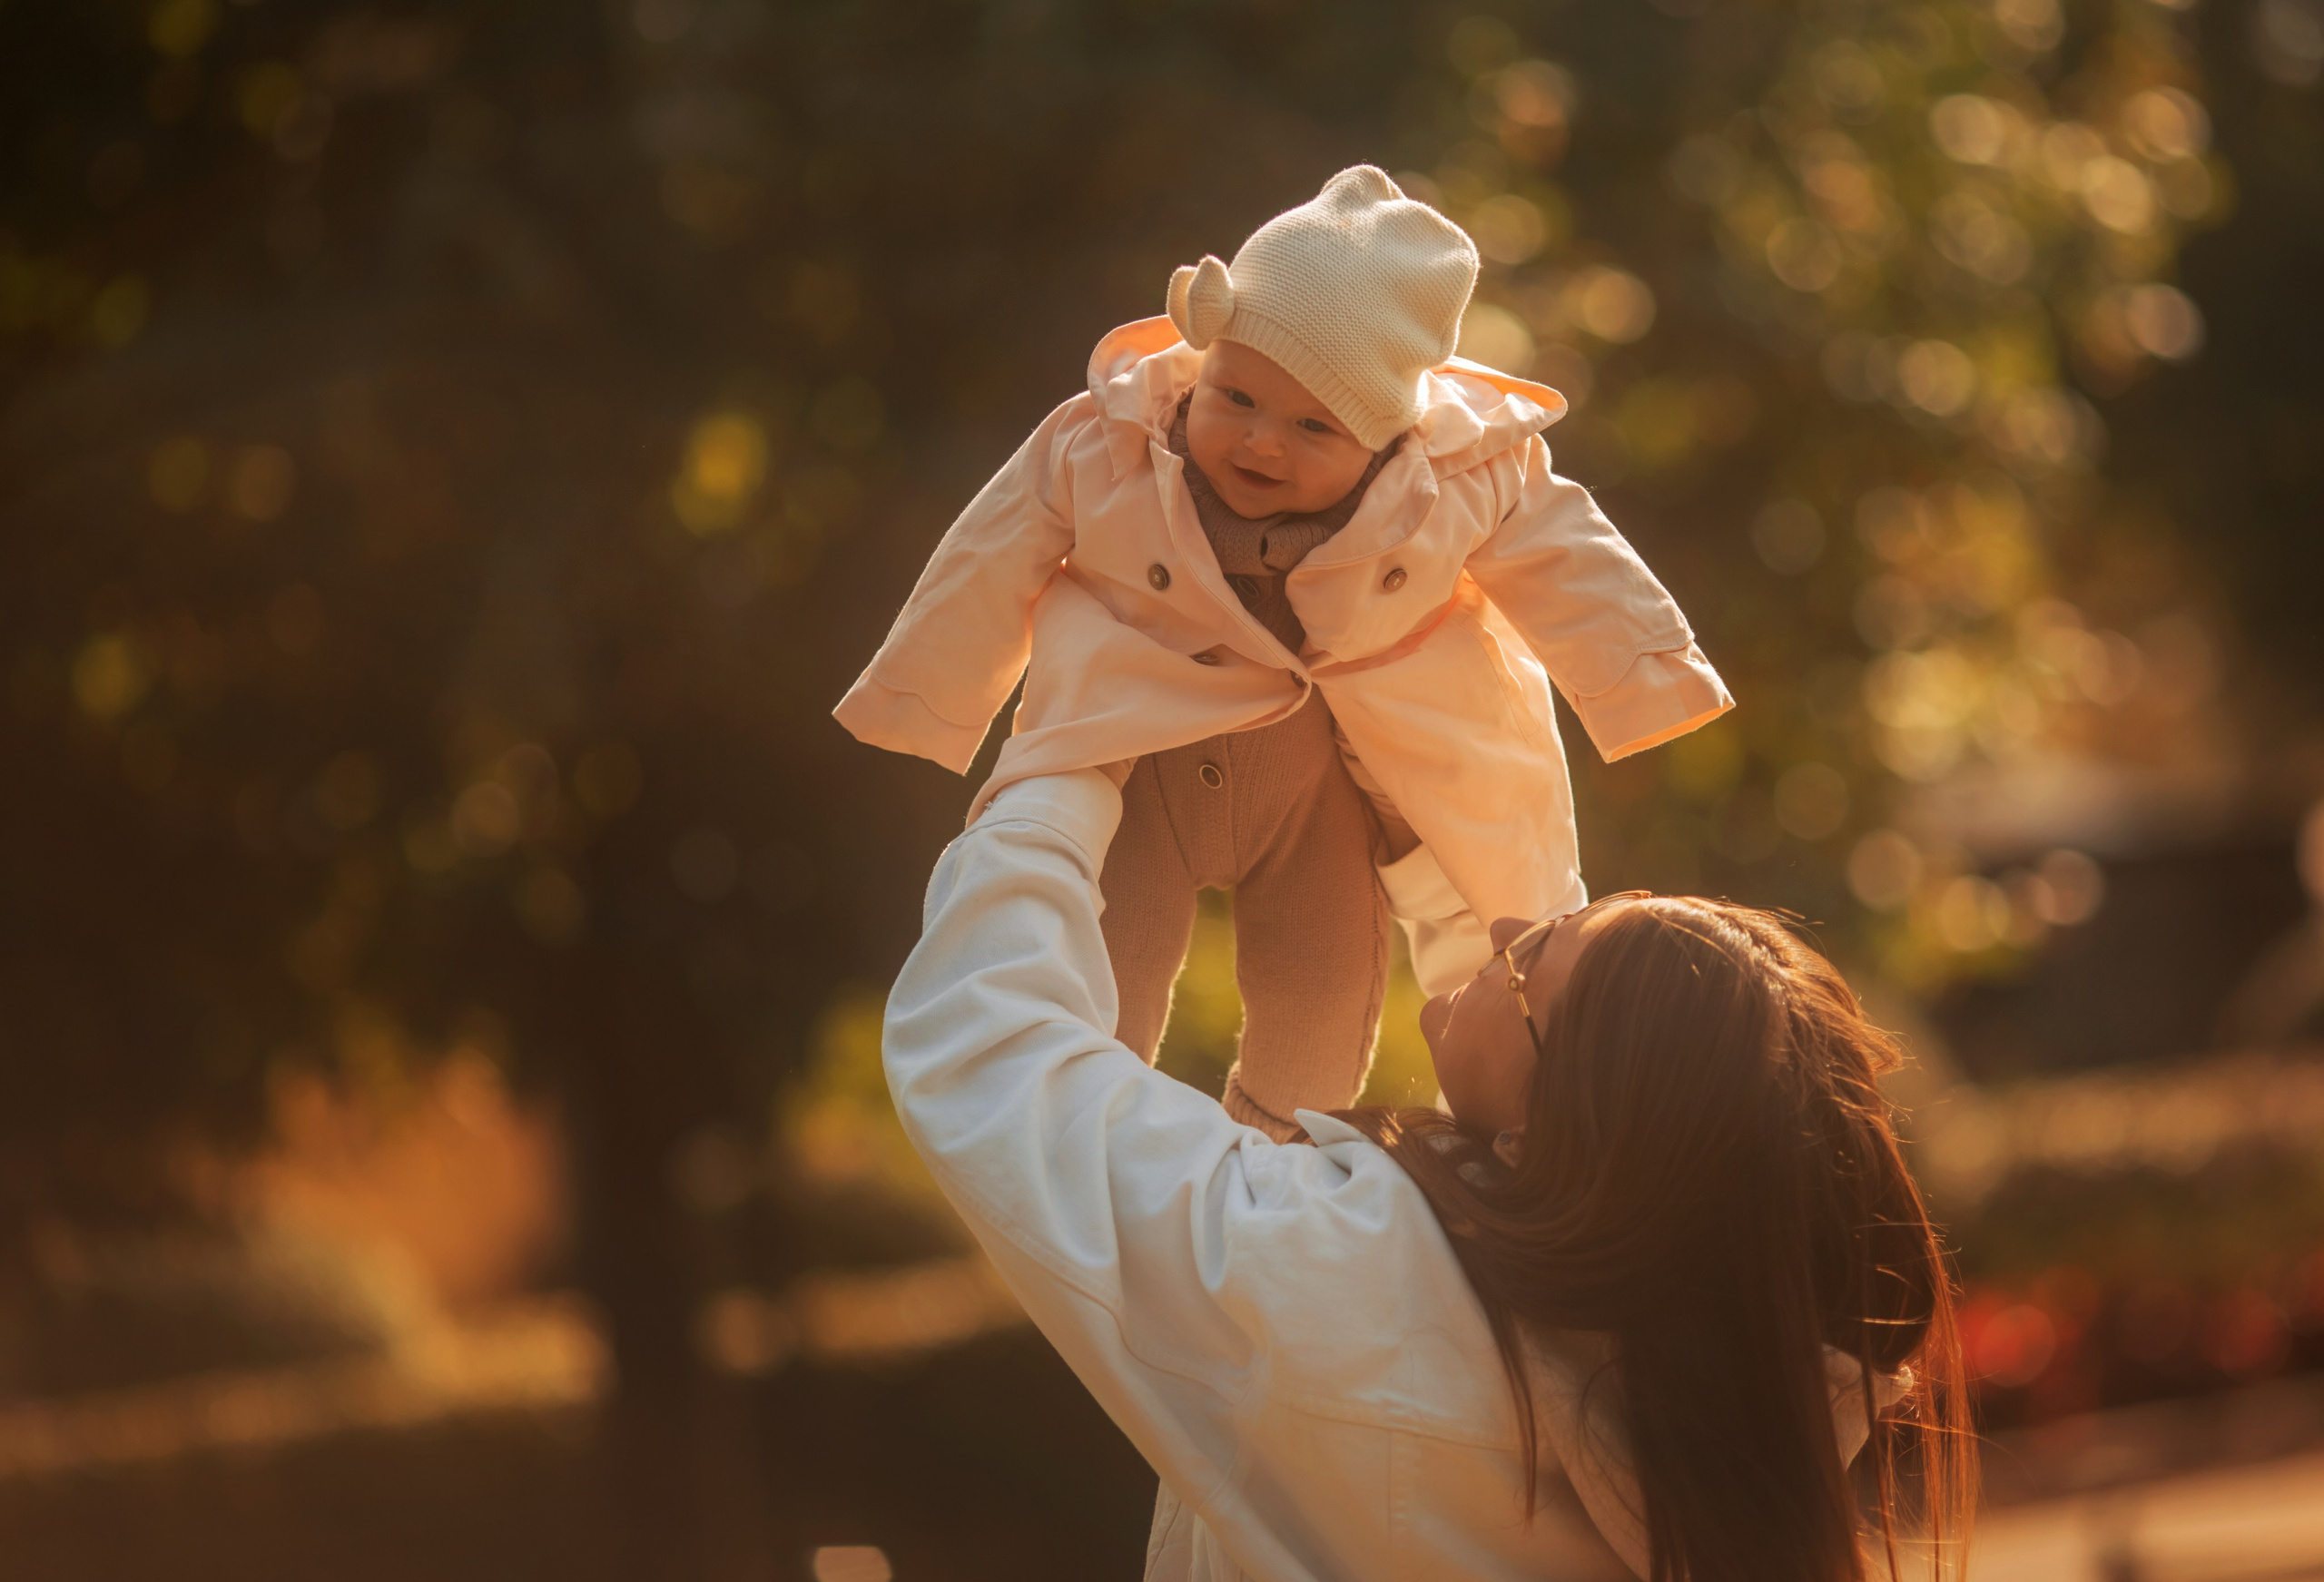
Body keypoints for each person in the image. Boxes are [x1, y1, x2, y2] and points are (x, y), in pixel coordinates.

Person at [882, 768, 1974, 1581]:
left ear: (1546, 1138)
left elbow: (990, 1055)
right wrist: (1424, 828)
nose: (1501, 925)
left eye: (1530, 952)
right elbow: (1542, 1103)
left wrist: (1062, 770)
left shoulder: (1344, 1290)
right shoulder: (1727, 1386)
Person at [838, 165, 1730, 1142]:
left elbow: (1571, 556)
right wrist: (929, 694)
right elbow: (990, 549)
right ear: (1203, 362)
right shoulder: (1111, 440)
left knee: (1320, 996)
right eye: (1237, 398)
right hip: (1148, 758)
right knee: (1105, 972)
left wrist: (1644, 681)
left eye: (1314, 426)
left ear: (1390, 430)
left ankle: (1283, 1164)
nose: (1262, 442)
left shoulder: (1464, 477)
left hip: (1323, 796)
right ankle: (1093, 1149)